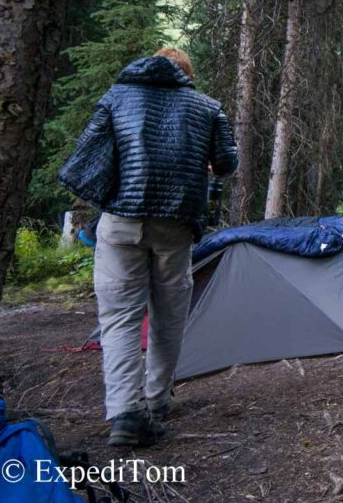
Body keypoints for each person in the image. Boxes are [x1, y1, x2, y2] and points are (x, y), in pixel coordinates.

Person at [59, 47, 237, 447]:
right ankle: (157, 402)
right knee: (168, 317)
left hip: (121, 221)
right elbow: (227, 162)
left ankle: (125, 414)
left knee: (119, 319)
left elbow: (87, 155)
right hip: (175, 223)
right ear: (187, 75)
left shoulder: (117, 97)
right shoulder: (207, 107)